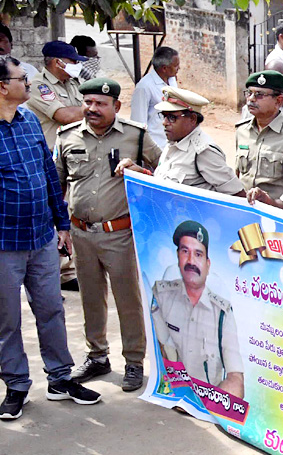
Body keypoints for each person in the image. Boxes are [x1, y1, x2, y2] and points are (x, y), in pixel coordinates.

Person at [0, 56, 101, 420]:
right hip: (4, 244)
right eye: (20, 78)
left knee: (51, 309)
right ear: (1, 86)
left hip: (42, 237)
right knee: (7, 319)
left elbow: (47, 173)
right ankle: (16, 386)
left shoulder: (28, 121)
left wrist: (61, 224)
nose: (27, 82)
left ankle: (60, 378)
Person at [58, 77, 161, 392]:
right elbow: (58, 184)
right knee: (90, 298)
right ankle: (97, 356)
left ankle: (133, 362)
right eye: (87, 103)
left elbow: (165, 173)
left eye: (100, 104)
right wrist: (61, 226)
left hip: (119, 233)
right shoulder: (67, 137)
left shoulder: (136, 138)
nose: (92, 109)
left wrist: (140, 171)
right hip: (81, 233)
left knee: (127, 300)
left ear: (116, 106)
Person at [149, 220, 244, 398]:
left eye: (198, 254)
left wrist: (208, 405)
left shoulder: (223, 313)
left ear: (208, 264)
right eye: (185, 251)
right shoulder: (161, 296)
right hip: (173, 396)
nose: (191, 261)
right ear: (178, 257)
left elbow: (235, 379)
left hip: (207, 402)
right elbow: (160, 352)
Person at [121, 86, 244, 195]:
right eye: (164, 116)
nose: (164, 123)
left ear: (193, 119)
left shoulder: (203, 151)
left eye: (172, 118)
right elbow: (166, 186)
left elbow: (236, 195)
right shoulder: (173, 143)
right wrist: (141, 172)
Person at [235, 71, 283, 200]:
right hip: (245, 206)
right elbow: (238, 173)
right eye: (249, 93)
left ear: (279, 100)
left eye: (259, 95)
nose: (251, 99)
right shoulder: (242, 130)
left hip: (274, 210)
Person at [26, 40, 87, 149]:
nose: (78, 65)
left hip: (76, 148)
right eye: (73, 61)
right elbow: (66, 116)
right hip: (52, 153)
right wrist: (96, 110)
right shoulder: (38, 85)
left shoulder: (73, 82)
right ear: (57, 62)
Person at [130, 46, 179, 148]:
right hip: (155, 146)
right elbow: (138, 123)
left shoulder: (172, 80)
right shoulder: (144, 87)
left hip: (171, 144)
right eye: (176, 65)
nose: (179, 68)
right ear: (164, 68)